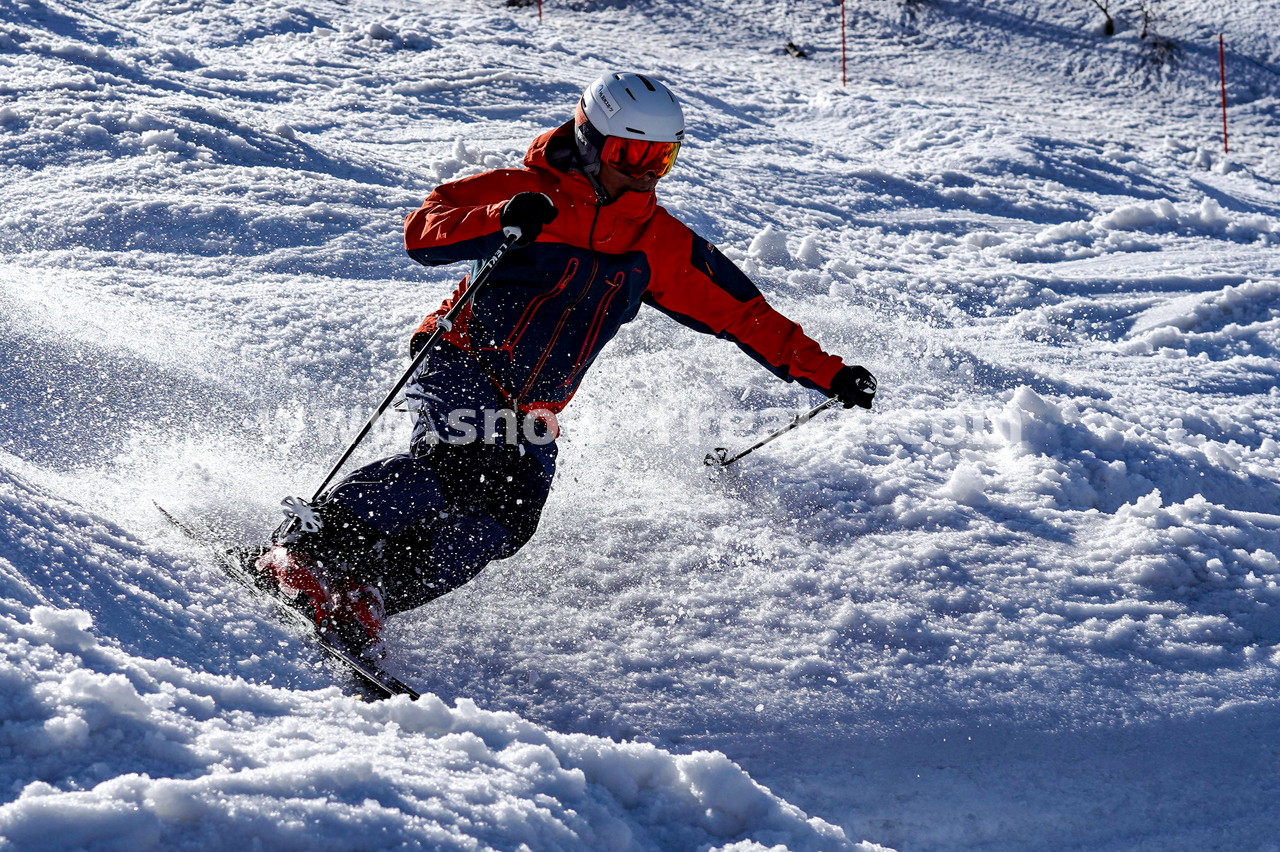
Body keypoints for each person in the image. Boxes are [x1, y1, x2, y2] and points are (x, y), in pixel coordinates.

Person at [254, 72, 878, 654]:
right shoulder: (523, 192)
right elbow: (425, 230)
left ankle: (369, 592)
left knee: (506, 516)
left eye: (661, 159)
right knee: (456, 463)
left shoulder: (656, 241)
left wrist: (829, 373)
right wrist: (502, 218)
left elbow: (745, 314)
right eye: (631, 157)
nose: (645, 176)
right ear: (590, 139)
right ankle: (306, 553)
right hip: (463, 356)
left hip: (536, 404)